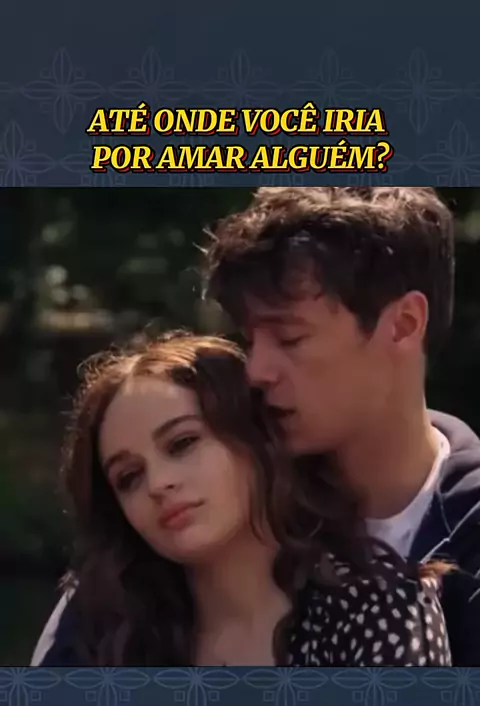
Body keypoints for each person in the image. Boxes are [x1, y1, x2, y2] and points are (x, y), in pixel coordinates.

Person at [31, 332, 450, 667]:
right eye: (129, 477)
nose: (158, 484)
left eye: (182, 443)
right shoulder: (105, 635)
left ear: (255, 440)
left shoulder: (380, 610)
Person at [201, 186, 480, 666]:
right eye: (250, 340)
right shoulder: (226, 514)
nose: (256, 370)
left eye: (289, 337)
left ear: (404, 324)